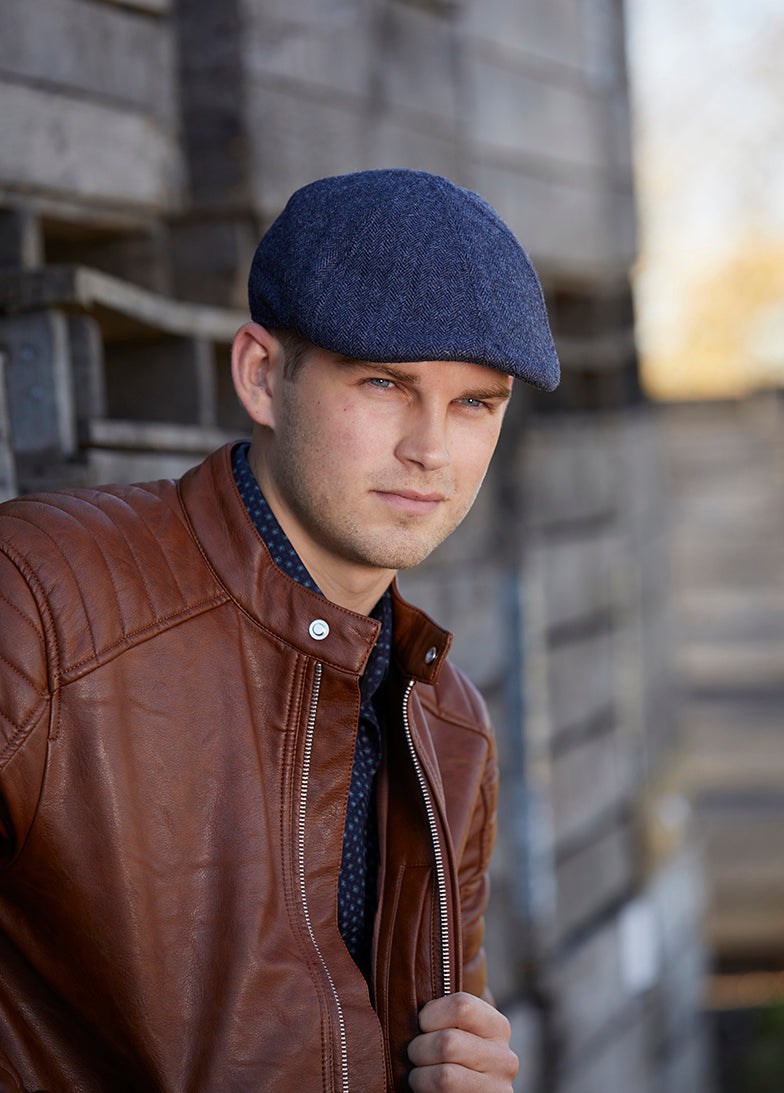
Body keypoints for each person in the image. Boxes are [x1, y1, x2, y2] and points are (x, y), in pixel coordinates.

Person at [0, 169, 559, 1091]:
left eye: (475, 403)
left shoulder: (448, 724)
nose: (430, 447)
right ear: (263, 376)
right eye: (385, 381)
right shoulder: (44, 603)